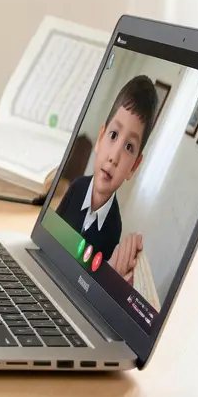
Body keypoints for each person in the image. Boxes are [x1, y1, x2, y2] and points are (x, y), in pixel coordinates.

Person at [54, 75, 158, 281]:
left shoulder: (113, 227)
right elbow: (50, 237)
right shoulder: (76, 187)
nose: (114, 157)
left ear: (133, 167)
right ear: (100, 139)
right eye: (113, 135)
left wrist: (109, 274)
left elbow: (92, 281)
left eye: (129, 147)